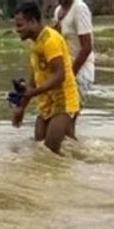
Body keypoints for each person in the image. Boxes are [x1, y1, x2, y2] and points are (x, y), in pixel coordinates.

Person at [12, 1, 80, 155]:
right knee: (41, 148)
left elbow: (60, 75)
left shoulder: (50, 41)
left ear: (33, 22)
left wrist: (33, 93)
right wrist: (21, 107)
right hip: (46, 104)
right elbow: (33, 80)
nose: (17, 30)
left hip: (63, 101)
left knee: (50, 151)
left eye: (20, 25)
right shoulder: (35, 45)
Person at [53, 0, 95, 138]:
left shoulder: (79, 8)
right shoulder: (58, 11)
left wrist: (70, 73)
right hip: (64, 69)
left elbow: (87, 47)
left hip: (81, 69)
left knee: (67, 119)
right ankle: (72, 154)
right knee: (63, 120)